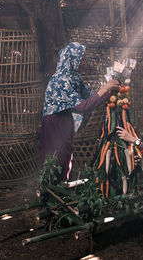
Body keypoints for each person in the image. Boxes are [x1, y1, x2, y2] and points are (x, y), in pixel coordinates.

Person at [40, 42, 120, 181]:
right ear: (72, 59)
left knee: (65, 154)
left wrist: (110, 92)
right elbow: (83, 106)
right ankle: (49, 190)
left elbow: (91, 97)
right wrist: (106, 87)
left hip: (65, 120)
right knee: (54, 157)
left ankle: (61, 189)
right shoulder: (60, 80)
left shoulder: (75, 77)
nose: (84, 62)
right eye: (81, 59)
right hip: (54, 122)